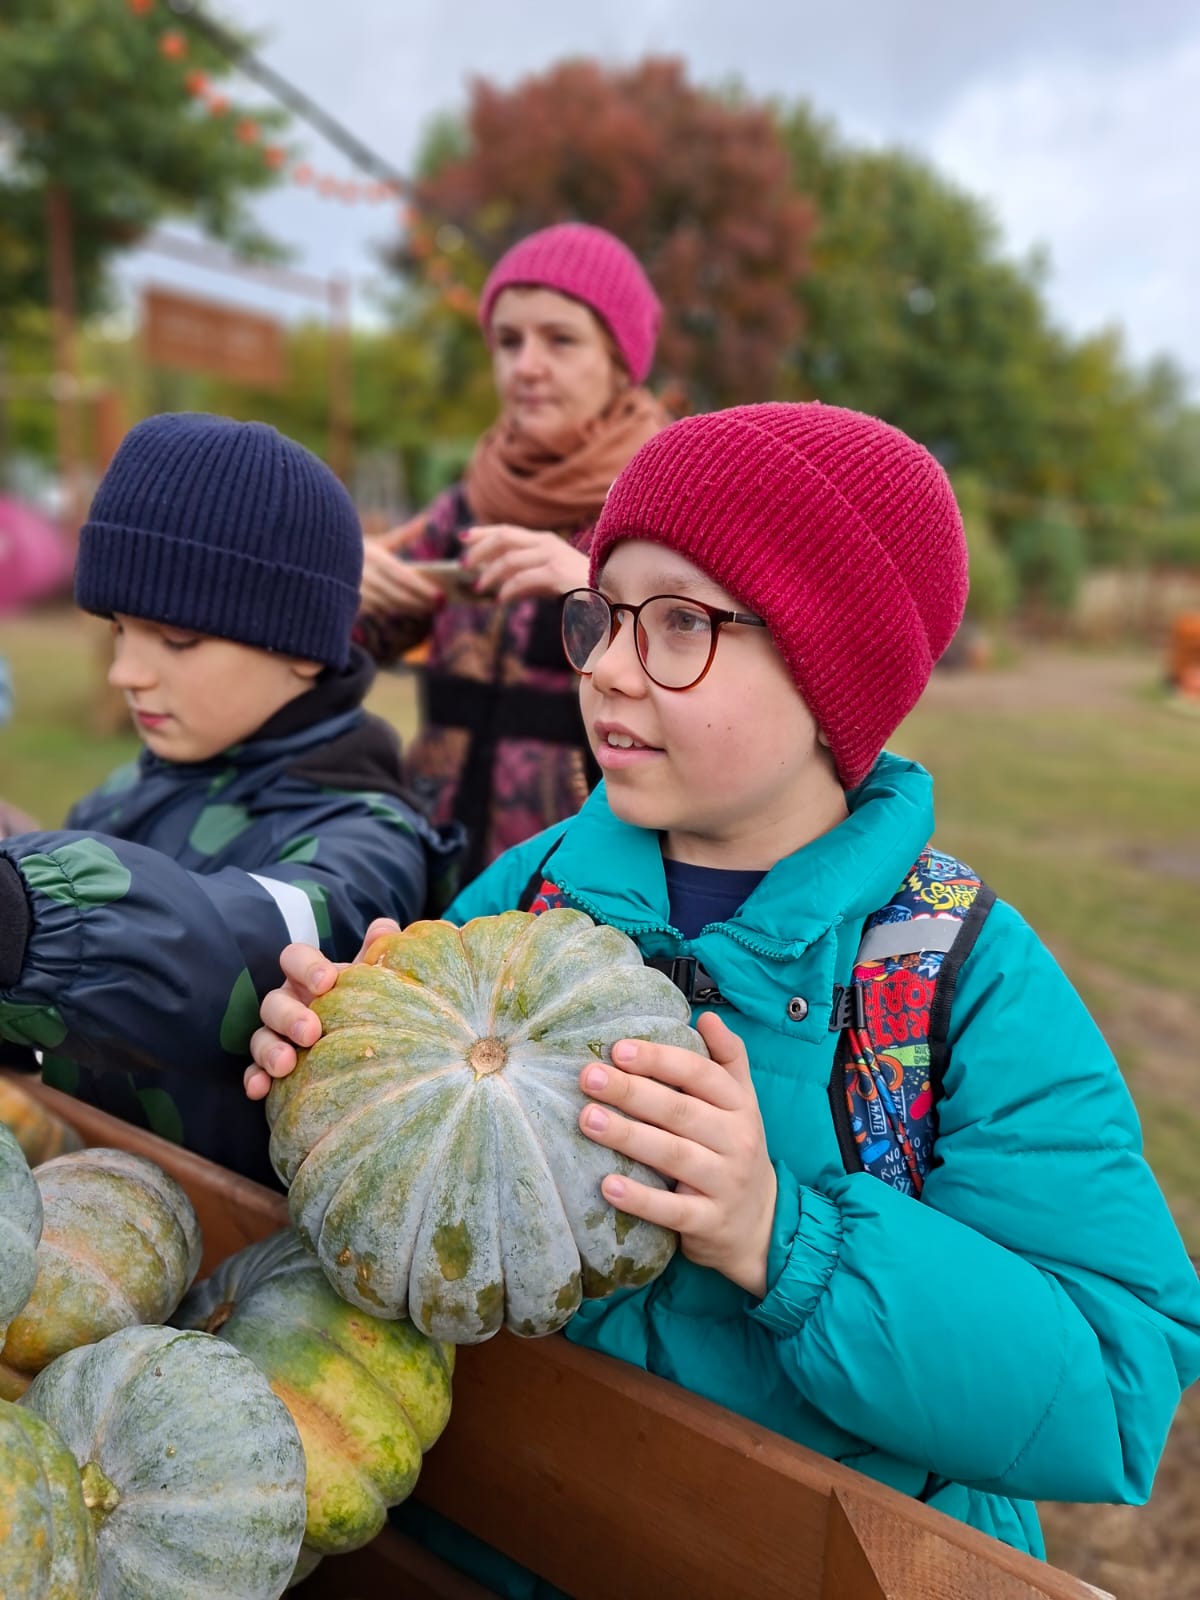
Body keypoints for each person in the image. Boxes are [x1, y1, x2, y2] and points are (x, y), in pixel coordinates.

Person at [244, 402, 1200, 1585]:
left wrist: (783, 1236)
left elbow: (1116, 1383)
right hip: (498, 1539)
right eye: (602, 616)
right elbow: (415, 1218)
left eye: (681, 623)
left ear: (830, 669)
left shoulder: (955, 981)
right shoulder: (528, 893)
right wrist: (339, 1068)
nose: (603, 668)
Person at [0, 413, 459, 1187]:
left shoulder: (371, 842)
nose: (126, 672)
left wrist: (20, 916)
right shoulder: (127, 791)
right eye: (118, 630)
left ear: (305, 652)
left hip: (237, 1260)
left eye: (175, 640)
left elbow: (240, 947)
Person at [358, 221, 670, 879]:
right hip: (432, 873)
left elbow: (711, 676)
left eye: (559, 339)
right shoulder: (466, 504)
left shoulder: (667, 501)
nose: (526, 365)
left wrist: (595, 589)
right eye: (508, 341)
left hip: (587, 887)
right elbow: (347, 647)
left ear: (620, 361)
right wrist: (343, 580)